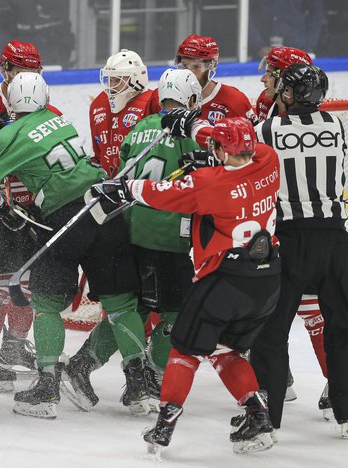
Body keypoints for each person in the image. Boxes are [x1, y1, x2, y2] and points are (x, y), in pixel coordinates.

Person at [91, 117, 282, 454]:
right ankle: (257, 416)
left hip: (225, 282)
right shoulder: (268, 161)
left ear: (223, 150)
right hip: (266, 282)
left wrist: (122, 187)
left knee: (184, 350)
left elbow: (160, 193)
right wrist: (199, 133)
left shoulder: (208, 183)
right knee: (225, 349)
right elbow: (227, 153)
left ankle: (164, 426)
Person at [0, 72, 147, 419]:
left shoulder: (6, 136)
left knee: (47, 304)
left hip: (63, 220)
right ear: (45, 97)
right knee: (122, 303)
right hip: (104, 206)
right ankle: (139, 383)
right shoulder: (59, 121)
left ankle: (47, 387)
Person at [62, 69, 207, 414]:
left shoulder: (140, 128)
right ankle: (147, 380)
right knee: (177, 314)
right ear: (190, 100)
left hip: (131, 230)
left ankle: (83, 365)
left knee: (138, 308)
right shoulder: (190, 134)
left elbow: (124, 171)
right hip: (168, 235)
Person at [249, 63, 348, 438]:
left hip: (287, 242)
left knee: (270, 331)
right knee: (346, 327)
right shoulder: (335, 126)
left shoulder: (266, 130)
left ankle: (265, 418)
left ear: (287, 94)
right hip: (335, 241)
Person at [0, 41, 62, 390]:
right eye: (20, 71)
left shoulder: (45, 106)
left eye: (33, 72)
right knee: (0, 282)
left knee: (31, 282)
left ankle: (16, 346)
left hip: (33, 206)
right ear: (5, 69)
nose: (27, 78)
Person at [256, 45, 331, 413]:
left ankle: (334, 385)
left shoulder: (303, 118)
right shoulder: (265, 106)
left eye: (269, 71)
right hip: (274, 225)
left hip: (296, 229)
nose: (262, 77)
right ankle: (278, 380)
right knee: (270, 310)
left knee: (307, 310)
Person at [90, 48, 161, 178]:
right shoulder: (98, 104)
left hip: (138, 184)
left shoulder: (152, 103)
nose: (111, 85)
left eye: (117, 80)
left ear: (136, 78)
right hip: (108, 186)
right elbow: (98, 153)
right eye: (109, 79)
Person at [174, 35, 257, 144]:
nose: (188, 73)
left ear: (211, 66)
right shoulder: (167, 96)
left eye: (196, 67)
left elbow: (249, 147)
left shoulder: (234, 101)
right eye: (185, 65)